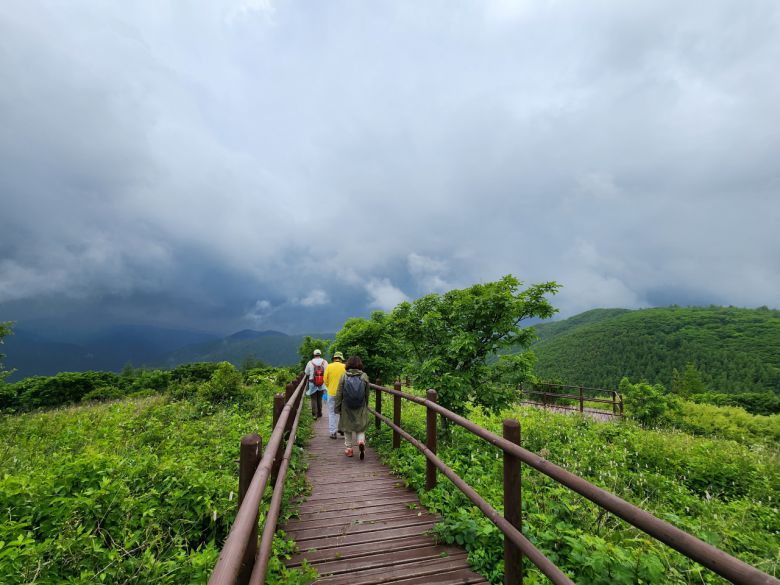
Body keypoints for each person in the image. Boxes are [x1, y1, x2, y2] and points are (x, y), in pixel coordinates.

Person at [334, 355, 370, 459]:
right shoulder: (364, 376)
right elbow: (367, 393)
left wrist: (337, 407)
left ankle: (349, 449)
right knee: (360, 427)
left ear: (348, 364)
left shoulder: (344, 376)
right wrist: (366, 405)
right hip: (360, 405)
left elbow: (339, 393)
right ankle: (360, 442)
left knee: (347, 427)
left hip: (346, 406)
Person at [323, 351, 346, 439]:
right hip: (343, 393)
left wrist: (330, 386)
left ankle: (333, 432)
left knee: (332, 412)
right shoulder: (345, 367)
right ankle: (342, 429)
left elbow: (325, 380)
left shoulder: (329, 366)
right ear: (341, 359)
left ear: (334, 358)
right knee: (343, 412)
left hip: (331, 392)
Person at [304, 349, 328, 419]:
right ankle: (320, 413)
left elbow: (306, 373)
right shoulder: (325, 362)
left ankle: (314, 414)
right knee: (319, 398)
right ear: (320, 354)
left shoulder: (310, 362)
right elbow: (327, 372)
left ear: (314, 355)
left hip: (312, 383)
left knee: (313, 398)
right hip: (321, 383)